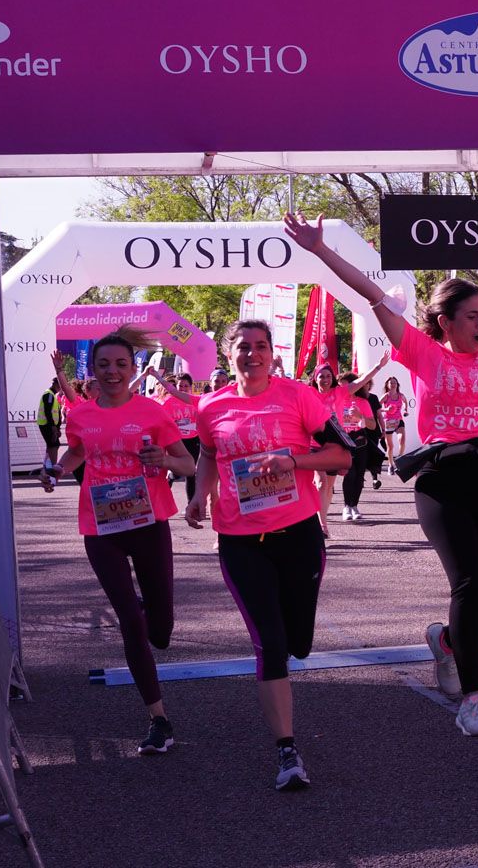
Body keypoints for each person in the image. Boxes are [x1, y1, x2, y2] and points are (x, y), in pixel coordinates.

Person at [284, 183, 478, 737]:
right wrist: (319, 250)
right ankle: (474, 699)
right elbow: (371, 294)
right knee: (468, 586)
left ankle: (446, 641)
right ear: (449, 320)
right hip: (443, 480)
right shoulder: (422, 351)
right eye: (474, 314)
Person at [185, 320, 352, 790]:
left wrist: (293, 461)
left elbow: (342, 456)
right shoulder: (210, 407)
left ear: (271, 353)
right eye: (243, 347)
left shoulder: (299, 396)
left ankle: (293, 654)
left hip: (297, 535)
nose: (252, 354)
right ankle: (286, 751)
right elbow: (207, 454)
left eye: (261, 347)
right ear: (229, 354)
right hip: (239, 540)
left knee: (299, 641)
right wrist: (201, 494)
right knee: (270, 643)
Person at [41, 328, 195, 756]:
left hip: (147, 523)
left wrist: (163, 459)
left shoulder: (153, 412)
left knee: (160, 630)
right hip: (101, 526)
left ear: (132, 370)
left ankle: (149, 613)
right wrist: (55, 470)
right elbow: (76, 453)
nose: (112, 371)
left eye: (120, 364)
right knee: (130, 621)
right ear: (93, 369)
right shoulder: (82, 415)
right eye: (104, 364)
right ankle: (158, 719)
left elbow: (187, 463)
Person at [307, 355, 387, 527]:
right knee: (321, 484)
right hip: (314, 444)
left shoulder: (339, 393)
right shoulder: (309, 393)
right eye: (321, 376)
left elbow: (361, 381)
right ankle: (322, 525)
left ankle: (324, 517)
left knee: (328, 487)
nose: (325, 379)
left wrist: (377, 366)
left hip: (335, 446)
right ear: (315, 378)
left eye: (329, 376)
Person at [148, 369, 203, 503]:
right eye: (180, 386)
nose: (183, 388)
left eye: (186, 386)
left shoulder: (194, 401)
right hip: (176, 441)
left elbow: (201, 419)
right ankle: (163, 498)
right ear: (175, 387)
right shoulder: (169, 401)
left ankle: (191, 504)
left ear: (191, 387)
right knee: (175, 473)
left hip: (193, 440)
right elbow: (163, 422)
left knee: (192, 473)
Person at [379, 376, 407, 472]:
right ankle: (390, 465)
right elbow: (376, 408)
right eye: (391, 383)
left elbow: (405, 401)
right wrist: (386, 409)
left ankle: (399, 459)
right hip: (388, 422)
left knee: (402, 440)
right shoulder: (386, 396)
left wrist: (406, 410)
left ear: (397, 384)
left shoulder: (401, 395)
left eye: (395, 382)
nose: (393, 384)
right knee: (390, 446)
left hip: (399, 421)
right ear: (387, 385)